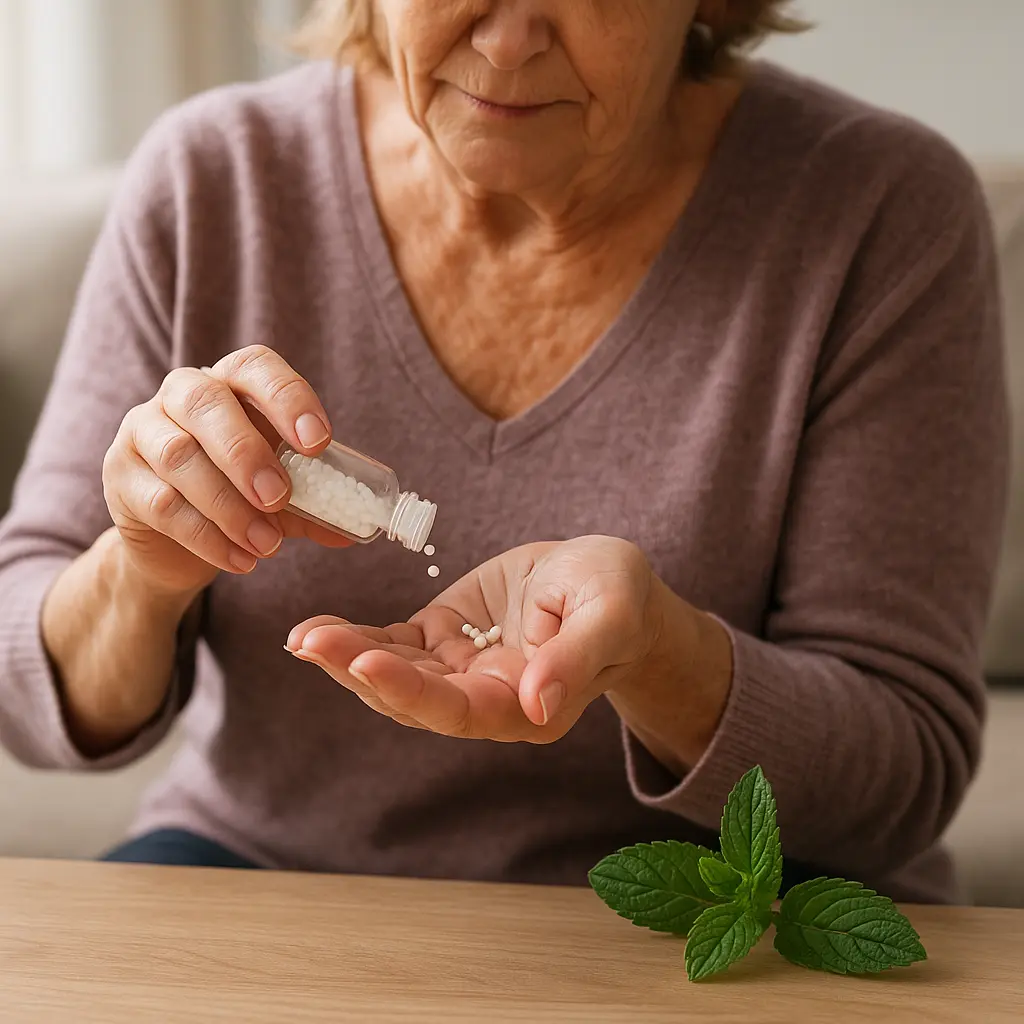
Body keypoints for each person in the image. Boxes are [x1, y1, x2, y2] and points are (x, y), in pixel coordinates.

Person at [0, 0, 1008, 903]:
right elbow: (26, 696)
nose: (510, 36)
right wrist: (145, 566)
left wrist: (655, 649)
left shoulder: (877, 211)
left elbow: (899, 777)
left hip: (704, 907)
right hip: (264, 871)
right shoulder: (216, 180)